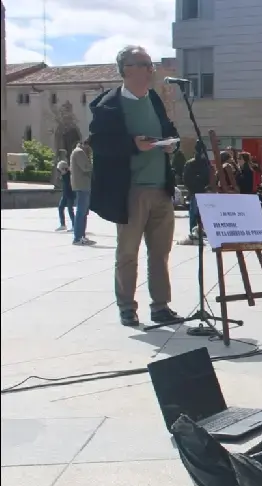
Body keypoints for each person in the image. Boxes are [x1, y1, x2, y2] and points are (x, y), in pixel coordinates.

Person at [89, 45, 181, 326]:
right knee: (128, 253)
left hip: (161, 188)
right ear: (127, 69)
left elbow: (169, 130)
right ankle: (127, 307)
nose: (151, 69)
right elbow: (100, 144)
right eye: (144, 63)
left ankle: (161, 306)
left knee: (160, 252)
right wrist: (133, 145)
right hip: (130, 190)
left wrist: (171, 146)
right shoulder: (109, 105)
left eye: (150, 63)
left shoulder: (153, 98)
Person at [69, 138, 95, 245]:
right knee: (81, 212)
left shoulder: (78, 152)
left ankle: (81, 236)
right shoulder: (79, 152)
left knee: (83, 212)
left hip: (82, 185)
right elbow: (86, 167)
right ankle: (78, 237)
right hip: (82, 185)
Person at [55, 160, 75, 232]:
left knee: (70, 210)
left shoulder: (69, 174)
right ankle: (63, 225)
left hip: (70, 194)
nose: (60, 171)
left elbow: (70, 184)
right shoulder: (64, 175)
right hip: (65, 194)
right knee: (60, 208)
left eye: (60, 170)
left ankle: (74, 226)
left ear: (63, 168)